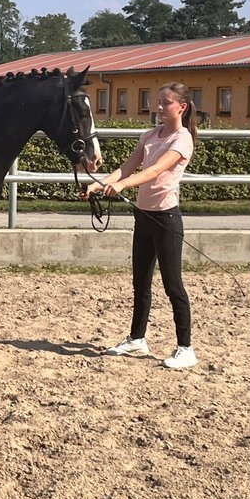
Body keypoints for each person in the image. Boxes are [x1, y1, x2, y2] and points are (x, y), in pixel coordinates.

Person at [85, 83, 198, 368]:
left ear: (181, 107)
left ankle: (185, 347)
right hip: (144, 215)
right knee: (141, 282)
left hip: (166, 218)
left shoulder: (182, 139)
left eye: (166, 103)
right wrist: (100, 184)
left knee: (173, 285)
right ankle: (137, 338)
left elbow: (155, 170)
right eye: (157, 102)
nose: (159, 107)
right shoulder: (148, 135)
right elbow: (127, 166)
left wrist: (122, 184)